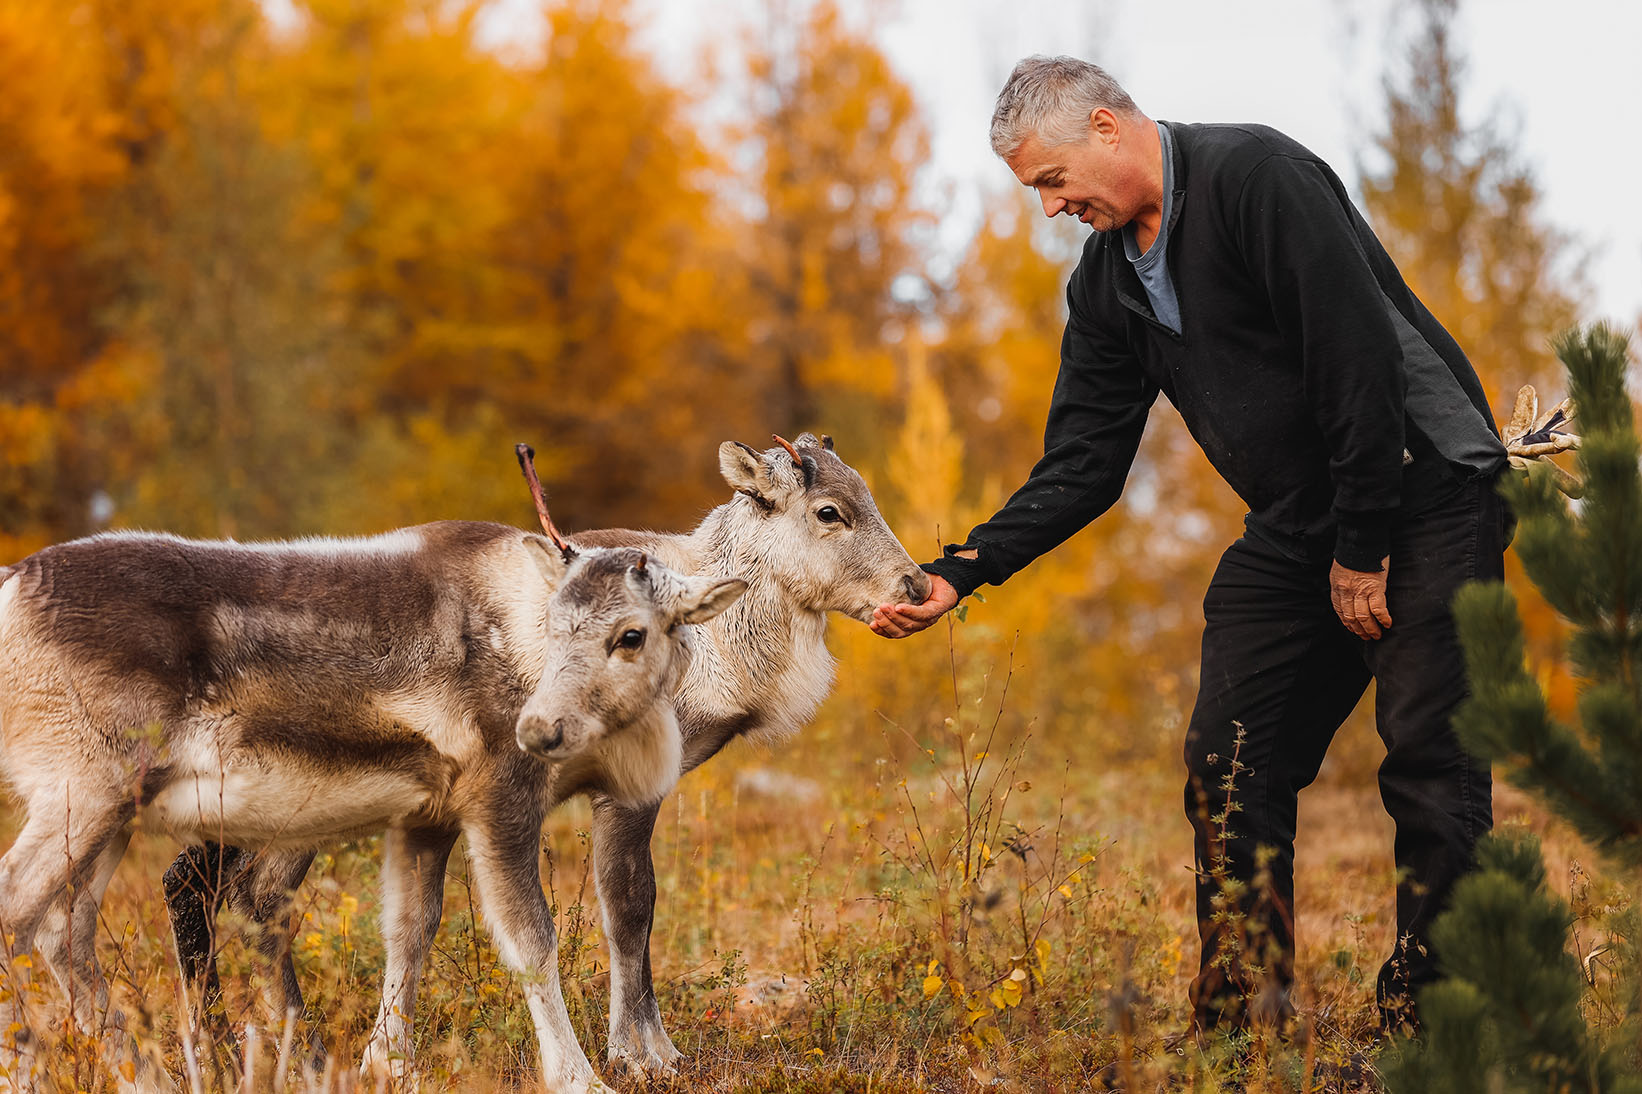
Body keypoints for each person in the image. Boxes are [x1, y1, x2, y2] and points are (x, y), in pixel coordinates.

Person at [870, 55, 1509, 1035]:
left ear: (1106, 127)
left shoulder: (1256, 179)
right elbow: (1082, 463)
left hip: (1420, 492)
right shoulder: (1107, 285)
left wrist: (1363, 541)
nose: (1049, 209)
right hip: (1301, 527)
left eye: (1051, 180)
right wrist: (960, 569)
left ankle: (1439, 1021)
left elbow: (1356, 361)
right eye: (1036, 191)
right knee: (1228, 758)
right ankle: (1239, 1019)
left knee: (1429, 757)